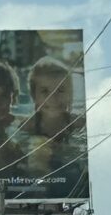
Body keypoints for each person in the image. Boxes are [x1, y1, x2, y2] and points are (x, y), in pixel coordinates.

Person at [19, 55, 87, 187]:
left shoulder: (77, 123)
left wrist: (64, 151)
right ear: (34, 96)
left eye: (60, 90)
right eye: (45, 91)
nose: (53, 98)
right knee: (38, 149)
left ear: (70, 94)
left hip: (67, 165)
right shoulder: (29, 125)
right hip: (41, 168)